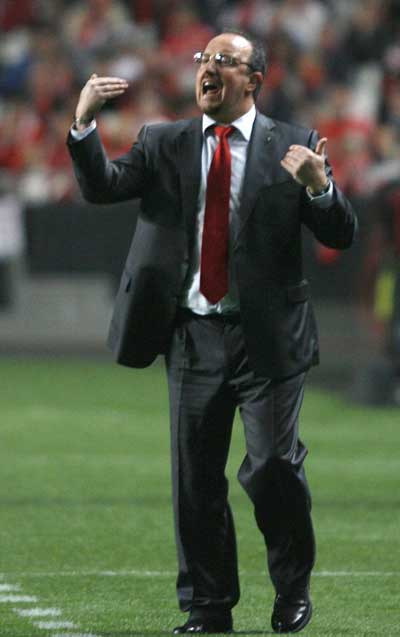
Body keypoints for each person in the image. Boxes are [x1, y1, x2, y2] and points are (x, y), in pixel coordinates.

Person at [67, 30, 357, 635]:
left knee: (273, 465)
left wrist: (319, 186)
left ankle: (292, 587)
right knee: (195, 479)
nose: (210, 68)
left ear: (254, 80)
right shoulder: (163, 141)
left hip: (268, 340)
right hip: (193, 335)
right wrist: (84, 126)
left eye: (226, 61)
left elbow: (340, 234)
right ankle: (208, 606)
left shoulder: (296, 144)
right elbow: (102, 187)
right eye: (205, 58)